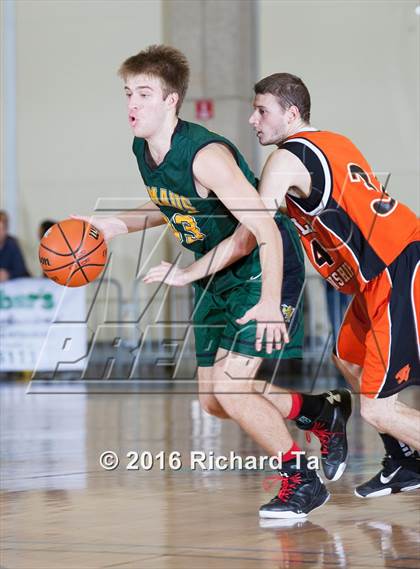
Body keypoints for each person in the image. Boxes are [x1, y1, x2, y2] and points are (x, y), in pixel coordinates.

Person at [76, 46, 352, 519]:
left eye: (145, 93)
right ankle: (320, 412)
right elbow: (172, 205)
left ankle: (300, 479)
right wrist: (111, 225)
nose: (132, 105)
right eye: (128, 93)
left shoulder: (207, 155)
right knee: (214, 400)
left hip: (263, 267)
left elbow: (263, 229)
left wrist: (268, 302)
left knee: (231, 389)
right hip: (218, 270)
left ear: (172, 101)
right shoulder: (144, 148)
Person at [146, 72, 420, 501]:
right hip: (382, 272)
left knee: (379, 406)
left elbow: (248, 234)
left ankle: (383, 452)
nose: (253, 120)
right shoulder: (335, 141)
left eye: (262, 111)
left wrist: (188, 272)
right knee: (349, 362)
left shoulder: (285, 160)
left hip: (398, 269)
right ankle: (403, 459)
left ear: (291, 113)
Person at [0, 210, 30, 281]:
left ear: (6, 229)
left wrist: (9, 274)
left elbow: (21, 269)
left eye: (2, 229)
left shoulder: (12, 244)